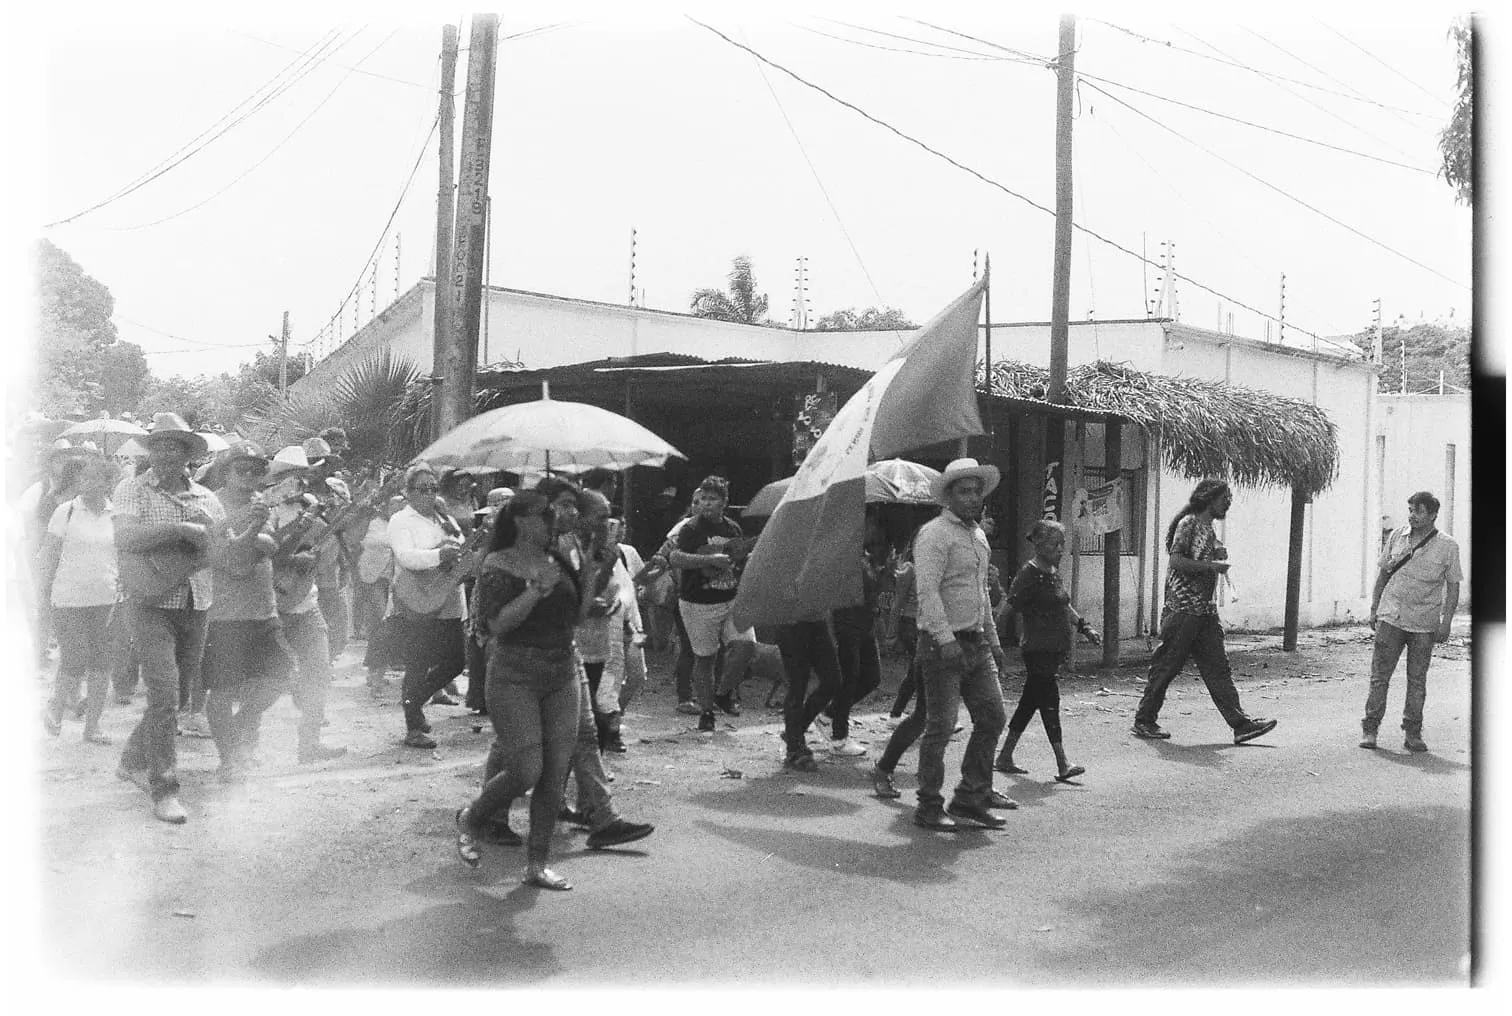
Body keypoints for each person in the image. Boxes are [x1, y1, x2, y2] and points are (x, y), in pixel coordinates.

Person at [454, 492, 586, 889]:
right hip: (515, 673)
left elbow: (577, 612)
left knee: (555, 772)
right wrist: (534, 591)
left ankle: (537, 864)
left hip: (562, 670)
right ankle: (473, 817)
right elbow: (497, 623)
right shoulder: (498, 562)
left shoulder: (561, 557)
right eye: (545, 512)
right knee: (527, 768)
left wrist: (594, 578)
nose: (553, 518)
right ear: (522, 520)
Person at [112, 413, 226, 825]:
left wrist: (244, 539)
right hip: (148, 603)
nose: (165, 453)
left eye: (174, 446)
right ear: (151, 451)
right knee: (164, 693)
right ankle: (165, 788)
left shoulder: (209, 500)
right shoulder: (132, 489)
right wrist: (180, 531)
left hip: (197, 602)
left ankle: (130, 759)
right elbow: (124, 538)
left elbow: (219, 552)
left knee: (175, 697)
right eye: (158, 445)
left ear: (186, 454)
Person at [908, 458, 1018, 831]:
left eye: (977, 491)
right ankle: (928, 804)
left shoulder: (978, 537)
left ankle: (971, 797)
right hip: (942, 646)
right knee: (941, 726)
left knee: (992, 717)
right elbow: (927, 592)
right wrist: (945, 639)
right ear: (949, 496)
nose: (973, 499)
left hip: (977, 644)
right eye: (964, 491)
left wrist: (994, 640)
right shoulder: (934, 534)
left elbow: (982, 595)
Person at [1132, 479, 1278, 745]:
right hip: (1183, 609)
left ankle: (1241, 724)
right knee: (1167, 666)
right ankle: (1144, 719)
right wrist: (1211, 566)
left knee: (1217, 667)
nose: (1228, 503)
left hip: (1204, 611)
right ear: (1210, 499)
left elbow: (1202, 560)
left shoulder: (1208, 529)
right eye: (1225, 498)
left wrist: (1216, 557)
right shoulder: (1188, 524)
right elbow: (1176, 561)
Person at [201, 443, 296, 779]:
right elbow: (228, 559)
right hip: (225, 614)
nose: (250, 477)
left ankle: (240, 731)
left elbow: (271, 546)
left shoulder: (260, 505)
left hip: (262, 609)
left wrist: (254, 533)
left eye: (256, 471)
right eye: (242, 470)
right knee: (223, 690)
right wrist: (250, 531)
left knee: (281, 674)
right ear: (225, 471)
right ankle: (229, 757)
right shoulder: (211, 504)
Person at [993, 520, 1100, 781]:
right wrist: (992, 644)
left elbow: (1064, 605)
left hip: (1054, 649)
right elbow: (1007, 609)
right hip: (1037, 649)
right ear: (1039, 545)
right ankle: (1063, 763)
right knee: (1050, 701)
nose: (1060, 549)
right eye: (1055, 544)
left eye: (1062, 544)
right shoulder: (1028, 575)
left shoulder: (1052, 572)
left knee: (1030, 703)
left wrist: (1085, 627)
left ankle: (1005, 756)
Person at [1361, 491, 1462, 753]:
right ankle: (1370, 729)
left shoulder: (1448, 546)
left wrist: (1446, 621)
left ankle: (1413, 733)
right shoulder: (1397, 536)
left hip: (1424, 623)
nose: (1412, 515)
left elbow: (1453, 587)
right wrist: (1374, 608)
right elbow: (1383, 574)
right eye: (1410, 510)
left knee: (1417, 680)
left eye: (1418, 511)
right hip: (1391, 616)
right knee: (1379, 677)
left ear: (1433, 515)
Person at [37, 454, 119, 743]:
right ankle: (58, 706)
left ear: (108, 482)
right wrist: (42, 591)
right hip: (68, 597)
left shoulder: (117, 513)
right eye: (83, 478)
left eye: (94, 477)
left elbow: (122, 554)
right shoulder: (66, 511)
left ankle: (92, 726)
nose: (86, 483)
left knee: (101, 663)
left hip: (107, 597)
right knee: (75, 657)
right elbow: (48, 553)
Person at [387, 463, 469, 748]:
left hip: (447, 595)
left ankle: (414, 703)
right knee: (419, 661)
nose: (430, 494)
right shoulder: (400, 520)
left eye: (433, 488)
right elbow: (406, 557)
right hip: (416, 596)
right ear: (407, 492)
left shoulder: (443, 517)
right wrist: (439, 555)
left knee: (457, 659)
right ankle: (413, 725)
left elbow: (460, 545)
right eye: (422, 489)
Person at [668, 476, 758, 733]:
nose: (706, 504)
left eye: (712, 499)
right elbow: (675, 557)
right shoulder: (690, 529)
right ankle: (707, 712)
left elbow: (739, 561)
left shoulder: (733, 529)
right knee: (705, 659)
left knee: (747, 646)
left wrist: (746, 559)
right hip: (698, 603)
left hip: (730, 598)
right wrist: (708, 560)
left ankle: (723, 693)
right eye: (703, 498)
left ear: (724, 503)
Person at [827, 510, 887, 757]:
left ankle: (830, 713)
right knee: (848, 679)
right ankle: (838, 737)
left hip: (865, 625)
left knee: (871, 678)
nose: (872, 530)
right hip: (846, 625)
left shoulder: (865, 556)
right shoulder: (842, 556)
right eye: (867, 525)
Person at [359, 494, 407, 697]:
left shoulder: (404, 526)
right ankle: (375, 675)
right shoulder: (375, 523)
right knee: (381, 625)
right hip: (375, 578)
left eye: (401, 507)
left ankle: (376, 672)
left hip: (396, 580)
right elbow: (367, 542)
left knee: (388, 627)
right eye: (394, 506)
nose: (397, 510)